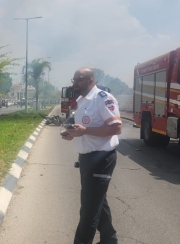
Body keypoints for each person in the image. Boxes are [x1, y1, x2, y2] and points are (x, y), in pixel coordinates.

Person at [61, 67, 121, 244]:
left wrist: (85, 130)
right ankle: (110, 240)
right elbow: (84, 131)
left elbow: (116, 128)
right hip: (87, 159)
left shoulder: (103, 98)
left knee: (88, 211)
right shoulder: (82, 100)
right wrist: (72, 134)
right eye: (73, 80)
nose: (74, 83)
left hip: (101, 159)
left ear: (90, 80)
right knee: (98, 203)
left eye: (78, 79)